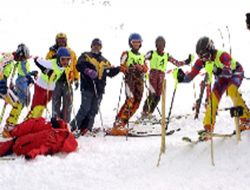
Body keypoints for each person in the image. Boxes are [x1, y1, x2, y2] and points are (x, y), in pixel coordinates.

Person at [175, 36, 250, 139]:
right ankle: (208, 127)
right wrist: (182, 78)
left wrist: (216, 70)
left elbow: (228, 72)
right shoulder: (202, 61)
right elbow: (190, 76)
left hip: (234, 73)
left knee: (231, 90)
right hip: (221, 78)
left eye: (205, 55)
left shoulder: (222, 55)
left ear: (211, 49)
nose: (203, 59)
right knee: (213, 98)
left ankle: (246, 120)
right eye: (200, 57)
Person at [70, 38, 120, 136]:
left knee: (93, 110)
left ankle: (87, 128)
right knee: (85, 108)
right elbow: (79, 65)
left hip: (99, 89)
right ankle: (72, 127)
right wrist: (87, 71)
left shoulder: (104, 61)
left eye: (98, 45)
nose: (96, 47)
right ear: (91, 46)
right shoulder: (86, 56)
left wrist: (119, 69)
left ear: (101, 47)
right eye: (94, 45)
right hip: (87, 86)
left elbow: (110, 73)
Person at [141, 36, 192, 119]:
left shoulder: (166, 55)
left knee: (158, 96)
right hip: (153, 75)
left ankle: (150, 113)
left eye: (162, 45)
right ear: (156, 45)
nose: (160, 47)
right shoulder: (151, 53)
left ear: (164, 46)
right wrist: (143, 68)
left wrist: (186, 61)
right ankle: (144, 112)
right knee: (152, 94)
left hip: (161, 76)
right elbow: (142, 59)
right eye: (159, 45)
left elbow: (177, 63)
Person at [109, 33, 148, 136]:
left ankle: (124, 122)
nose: (136, 44)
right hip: (130, 80)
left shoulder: (142, 56)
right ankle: (118, 123)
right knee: (130, 100)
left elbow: (146, 68)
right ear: (130, 43)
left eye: (138, 42)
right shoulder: (126, 53)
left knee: (137, 102)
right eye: (134, 42)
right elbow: (122, 66)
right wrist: (130, 68)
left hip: (139, 81)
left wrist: (142, 68)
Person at [2, 44, 38, 137]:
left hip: (9, 84)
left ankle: (9, 125)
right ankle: (9, 126)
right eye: (24, 57)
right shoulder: (11, 58)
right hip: (7, 84)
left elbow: (23, 71)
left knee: (18, 102)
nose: (24, 60)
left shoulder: (17, 61)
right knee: (18, 103)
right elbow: (3, 64)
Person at [25, 47, 71, 120]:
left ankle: (35, 121)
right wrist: (46, 70)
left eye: (68, 59)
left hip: (50, 88)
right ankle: (28, 122)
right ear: (58, 58)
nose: (65, 62)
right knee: (37, 106)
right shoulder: (51, 64)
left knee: (43, 105)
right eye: (63, 59)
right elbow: (37, 60)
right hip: (41, 86)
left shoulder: (65, 65)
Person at [0, 117, 78, 159]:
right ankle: (14, 131)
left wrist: (32, 154)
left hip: (23, 144)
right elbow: (44, 148)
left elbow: (43, 149)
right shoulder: (56, 132)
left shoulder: (56, 136)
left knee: (11, 145)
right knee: (11, 144)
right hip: (24, 143)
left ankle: (14, 131)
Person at [46, 33, 79, 123]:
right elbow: (46, 66)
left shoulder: (71, 53)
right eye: (59, 40)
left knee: (67, 104)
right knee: (56, 103)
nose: (61, 42)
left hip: (68, 81)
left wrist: (76, 78)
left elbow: (75, 66)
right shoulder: (51, 53)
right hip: (56, 82)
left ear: (66, 41)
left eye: (63, 40)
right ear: (56, 41)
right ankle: (55, 122)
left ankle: (65, 122)